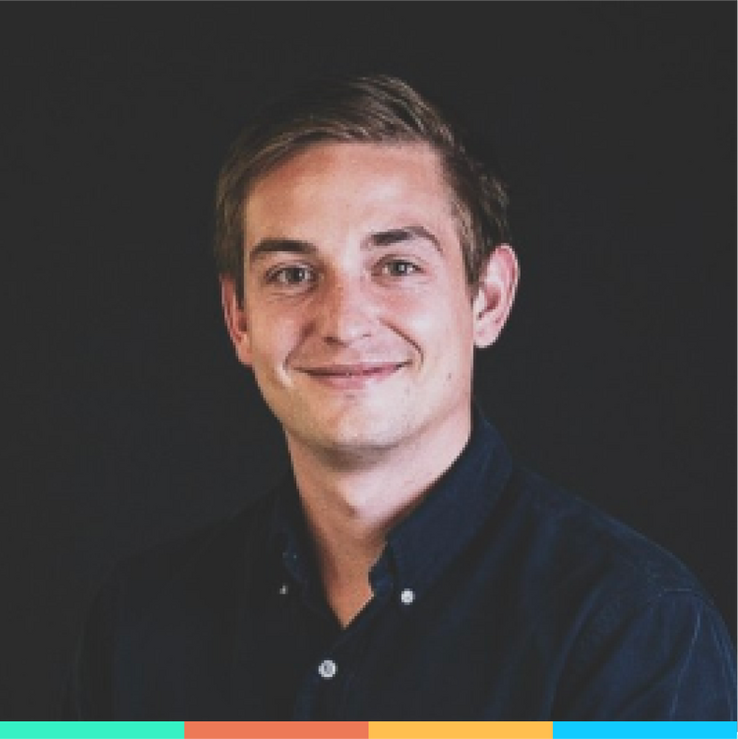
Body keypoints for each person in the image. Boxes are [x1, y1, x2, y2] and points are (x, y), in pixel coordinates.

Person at [63, 74, 738, 719]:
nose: (343, 321)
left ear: (488, 298)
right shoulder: (137, 627)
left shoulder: (635, 629)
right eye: (293, 273)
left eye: (397, 266)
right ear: (239, 317)